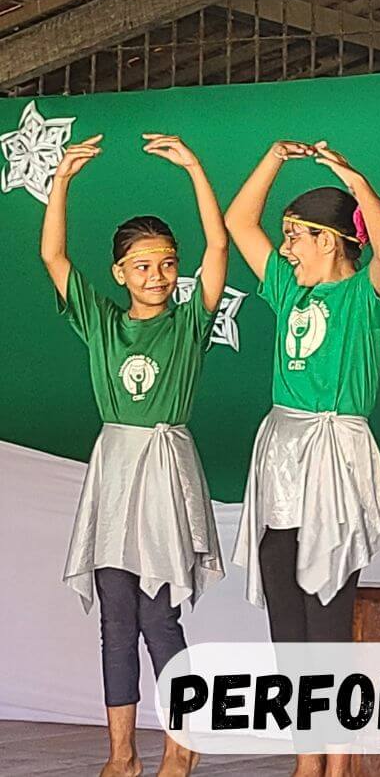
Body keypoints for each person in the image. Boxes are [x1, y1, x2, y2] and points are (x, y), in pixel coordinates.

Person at [41, 133, 228, 777]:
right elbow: (54, 254)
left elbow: (222, 248)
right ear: (120, 273)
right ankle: (120, 753)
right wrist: (61, 180)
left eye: (167, 263)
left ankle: (182, 739)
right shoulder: (100, 322)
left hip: (165, 472)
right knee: (116, 618)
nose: (157, 275)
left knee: (159, 615)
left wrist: (196, 168)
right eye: (142, 265)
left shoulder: (187, 324)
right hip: (115, 472)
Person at [227, 139, 380, 777]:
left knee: (328, 609)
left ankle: (339, 758)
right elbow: (236, 223)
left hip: (335, 457)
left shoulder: (364, 301)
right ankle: (308, 758)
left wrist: (353, 179)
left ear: (327, 239)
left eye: (294, 237)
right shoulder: (287, 293)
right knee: (287, 611)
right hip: (282, 458)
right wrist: (271, 159)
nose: (285, 249)